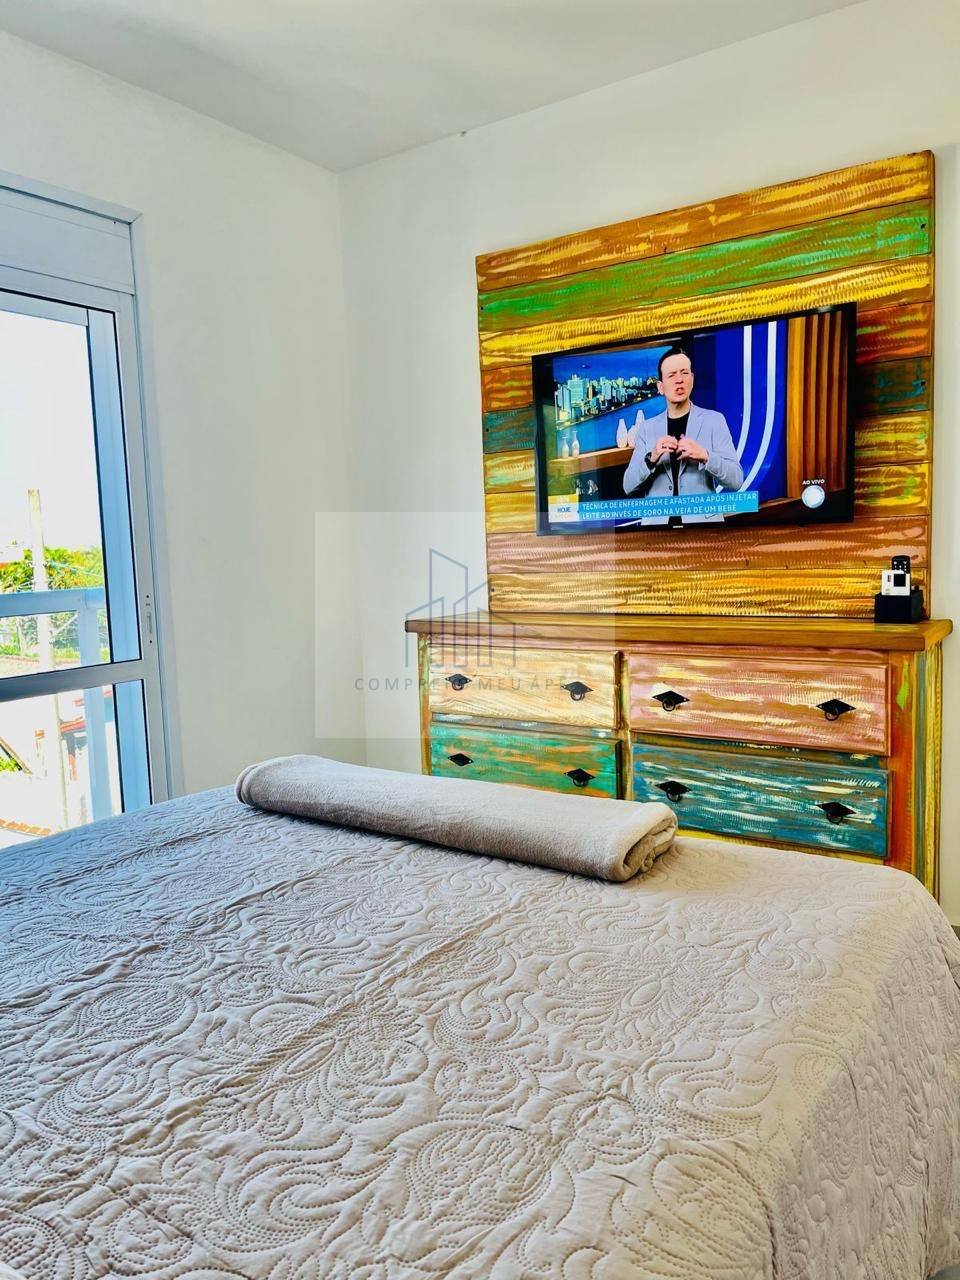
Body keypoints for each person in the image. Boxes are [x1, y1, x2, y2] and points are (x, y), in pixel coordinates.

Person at [621, 346, 743, 526]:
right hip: (657, 531)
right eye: (672, 375)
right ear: (660, 387)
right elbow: (628, 486)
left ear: (692, 379)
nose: (679, 380)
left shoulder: (714, 421)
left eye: (684, 373)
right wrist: (651, 458)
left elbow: (736, 481)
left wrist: (705, 456)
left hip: (703, 530)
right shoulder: (647, 428)